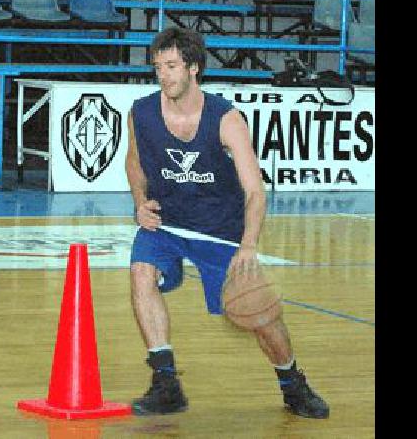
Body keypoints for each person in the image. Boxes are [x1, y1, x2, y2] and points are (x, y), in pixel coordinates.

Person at [125, 27, 329, 419]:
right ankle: (165, 382)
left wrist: (248, 246)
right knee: (140, 273)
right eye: (157, 67)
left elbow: (255, 192)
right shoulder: (142, 113)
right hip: (167, 223)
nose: (163, 75)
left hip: (220, 230)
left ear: (194, 69)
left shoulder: (225, 119)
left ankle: (292, 383)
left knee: (261, 316)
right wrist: (139, 203)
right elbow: (134, 161)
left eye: (171, 66)